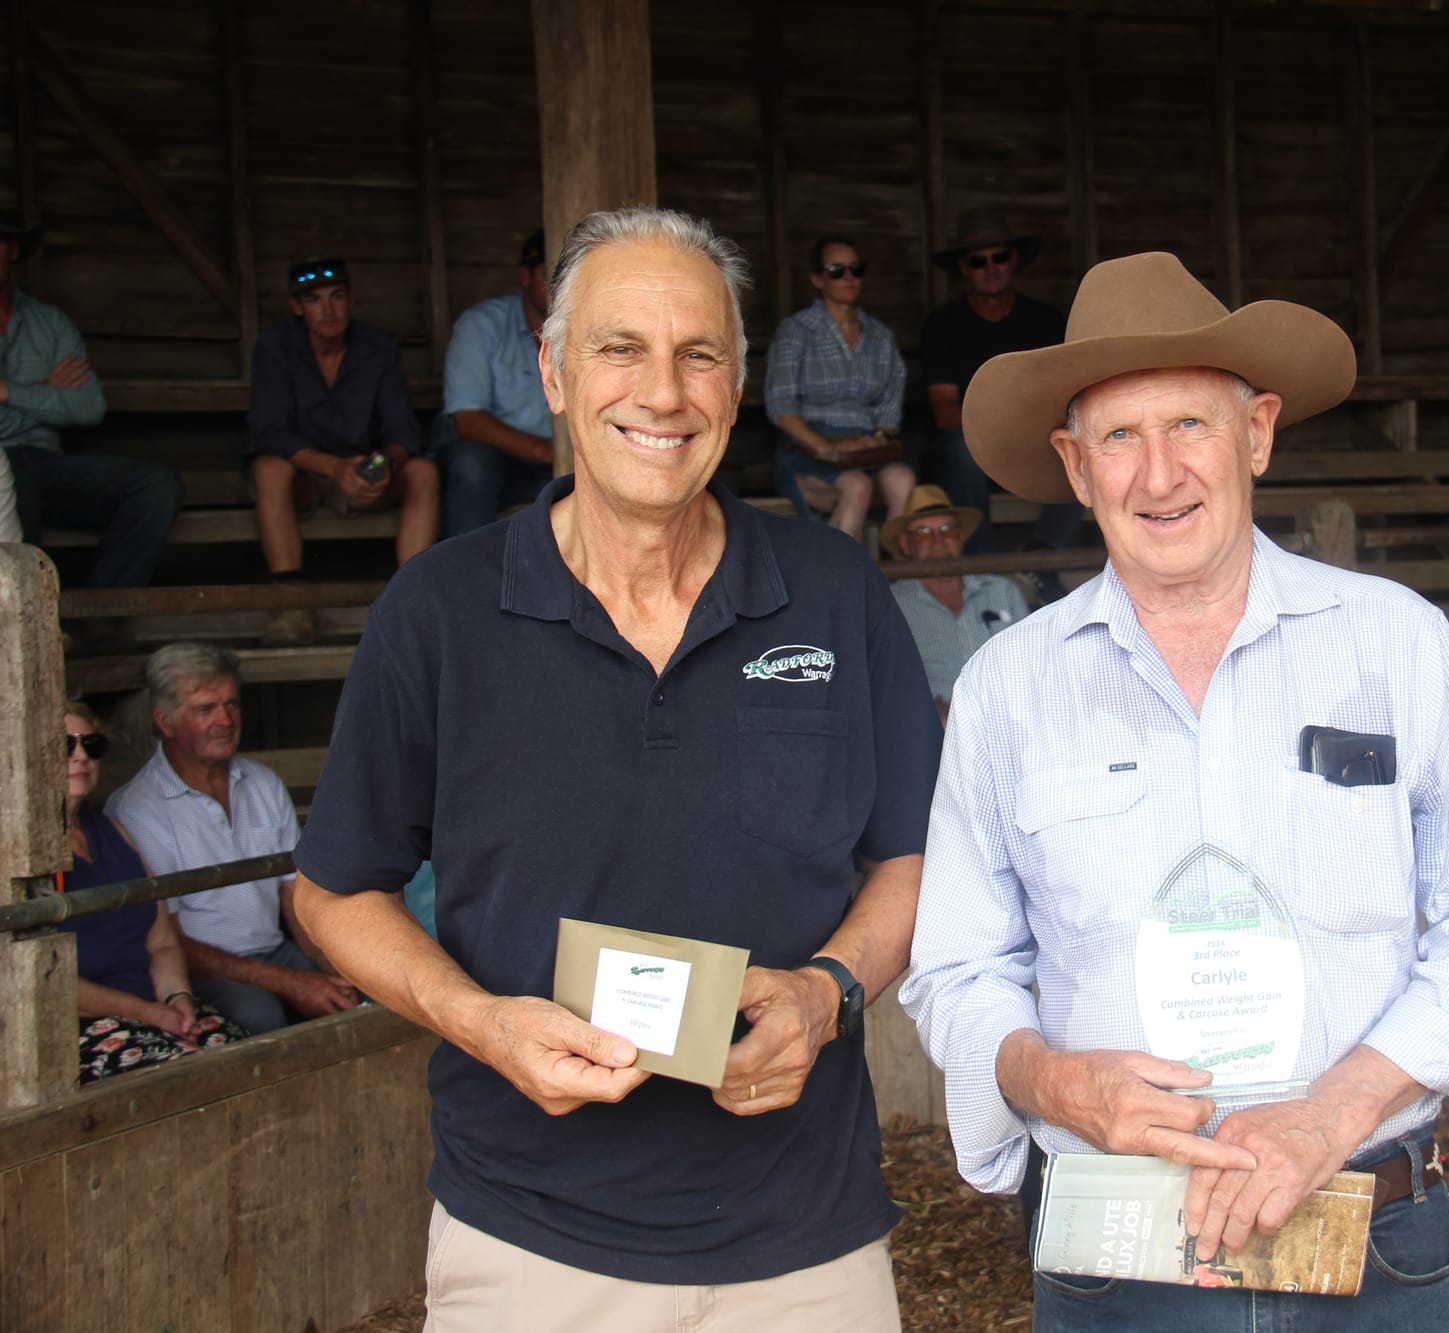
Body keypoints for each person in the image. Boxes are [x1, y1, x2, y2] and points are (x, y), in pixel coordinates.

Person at [288, 208, 941, 1333]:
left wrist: (827, 992)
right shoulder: (437, 611)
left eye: (698, 353)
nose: (663, 391)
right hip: (527, 1236)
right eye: (618, 348)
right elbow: (332, 890)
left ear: (736, 384)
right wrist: (482, 1022)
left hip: (804, 1241)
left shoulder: (832, 592)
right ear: (551, 371)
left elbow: (910, 855)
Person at [900, 251, 1449, 1331]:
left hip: (1368, 1230)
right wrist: (1058, 1086)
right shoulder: (1006, 688)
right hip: (1119, 1253)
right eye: (1118, 436)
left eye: (1188, 427)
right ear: (1072, 464)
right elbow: (959, 968)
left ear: (1254, 431)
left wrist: (1328, 1112)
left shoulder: (1392, 643)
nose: (1156, 476)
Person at [105, 642, 360, 1034]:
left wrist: (337, 967)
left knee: (360, 996)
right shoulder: (138, 809)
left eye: (232, 704)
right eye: (205, 709)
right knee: (261, 1018)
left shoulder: (262, 783)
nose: (225, 719)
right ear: (165, 721)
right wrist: (286, 981)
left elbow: (296, 899)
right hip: (206, 966)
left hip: (277, 951)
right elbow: (168, 940)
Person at [248, 255, 439, 645]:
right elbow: (270, 433)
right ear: (297, 307)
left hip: (365, 475)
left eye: (336, 296)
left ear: (351, 299)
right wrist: (334, 468)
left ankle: (410, 605)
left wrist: (381, 466)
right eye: (315, 300)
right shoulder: (275, 347)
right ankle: (292, 607)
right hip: (306, 477)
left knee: (422, 471)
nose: (328, 309)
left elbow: (403, 431)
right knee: (268, 469)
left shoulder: (377, 349)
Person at [58, 699, 246, 1084]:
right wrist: (147, 1014)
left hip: (150, 1004)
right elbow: (46, 982)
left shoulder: (113, 831)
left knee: (242, 1053)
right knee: (186, 1075)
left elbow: (160, 939)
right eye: (64, 746)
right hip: (76, 1024)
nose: (80, 756)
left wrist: (178, 999)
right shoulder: (18, 855)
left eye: (91, 745)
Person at [0, 211, 183, 589]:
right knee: (14, 481)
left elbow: (89, 407)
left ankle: (101, 618)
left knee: (154, 484)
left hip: (46, 462)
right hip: (2, 470)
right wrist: (48, 394)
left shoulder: (49, 322)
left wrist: (8, 392)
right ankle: (30, 630)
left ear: (13, 250)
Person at [920, 207, 1078, 591]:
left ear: (1014, 261)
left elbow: (1065, 398)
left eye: (1000, 257)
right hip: (973, 451)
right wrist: (1013, 422)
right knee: (961, 449)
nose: (990, 268)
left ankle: (1042, 557)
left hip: (1034, 445)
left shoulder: (1044, 320)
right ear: (963, 268)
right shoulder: (944, 325)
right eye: (978, 261)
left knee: (1082, 444)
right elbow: (944, 413)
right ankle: (985, 568)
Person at [763, 236, 915, 543]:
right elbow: (781, 406)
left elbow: (889, 403)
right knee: (857, 486)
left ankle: (898, 582)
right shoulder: (797, 330)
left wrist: (877, 439)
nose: (848, 277)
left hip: (866, 447)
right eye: (836, 270)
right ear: (817, 279)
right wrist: (826, 448)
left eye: (855, 269)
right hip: (808, 449)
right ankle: (841, 585)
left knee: (903, 479)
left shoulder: (880, 335)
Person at [883, 484, 1029, 723]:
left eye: (947, 530)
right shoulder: (894, 603)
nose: (938, 540)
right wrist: (928, 711)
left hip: (1011, 718)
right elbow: (887, 680)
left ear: (960, 536)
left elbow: (1034, 662)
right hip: (931, 727)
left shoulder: (1002, 590)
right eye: (923, 533)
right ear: (906, 543)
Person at [441, 230, 554, 537]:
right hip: (503, 462)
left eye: (565, 275)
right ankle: (466, 576)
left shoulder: (592, 326)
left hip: (565, 463)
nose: (558, 287)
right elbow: (468, 421)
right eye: (548, 274)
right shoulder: (482, 325)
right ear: (524, 276)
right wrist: (544, 451)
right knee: (472, 462)